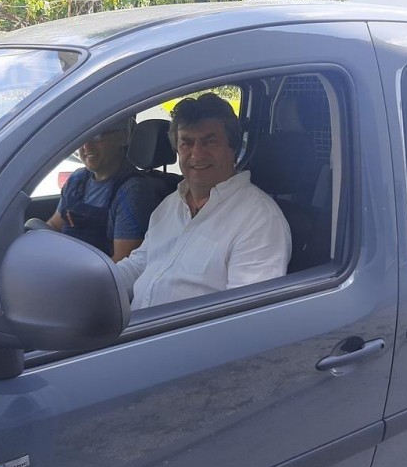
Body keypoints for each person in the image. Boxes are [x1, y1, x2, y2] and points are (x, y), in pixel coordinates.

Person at [116, 93, 291, 309]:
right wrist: (94, 284)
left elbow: (247, 315)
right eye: (186, 143)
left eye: (209, 142)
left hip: (180, 331)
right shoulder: (171, 204)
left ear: (233, 147)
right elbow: (138, 265)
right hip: (132, 324)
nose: (197, 154)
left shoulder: (259, 219)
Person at [46, 117, 160, 262]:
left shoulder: (133, 192)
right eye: (81, 137)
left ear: (122, 137)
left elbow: (123, 263)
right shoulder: (77, 179)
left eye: (96, 136)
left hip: (93, 274)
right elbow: (54, 225)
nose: (86, 146)